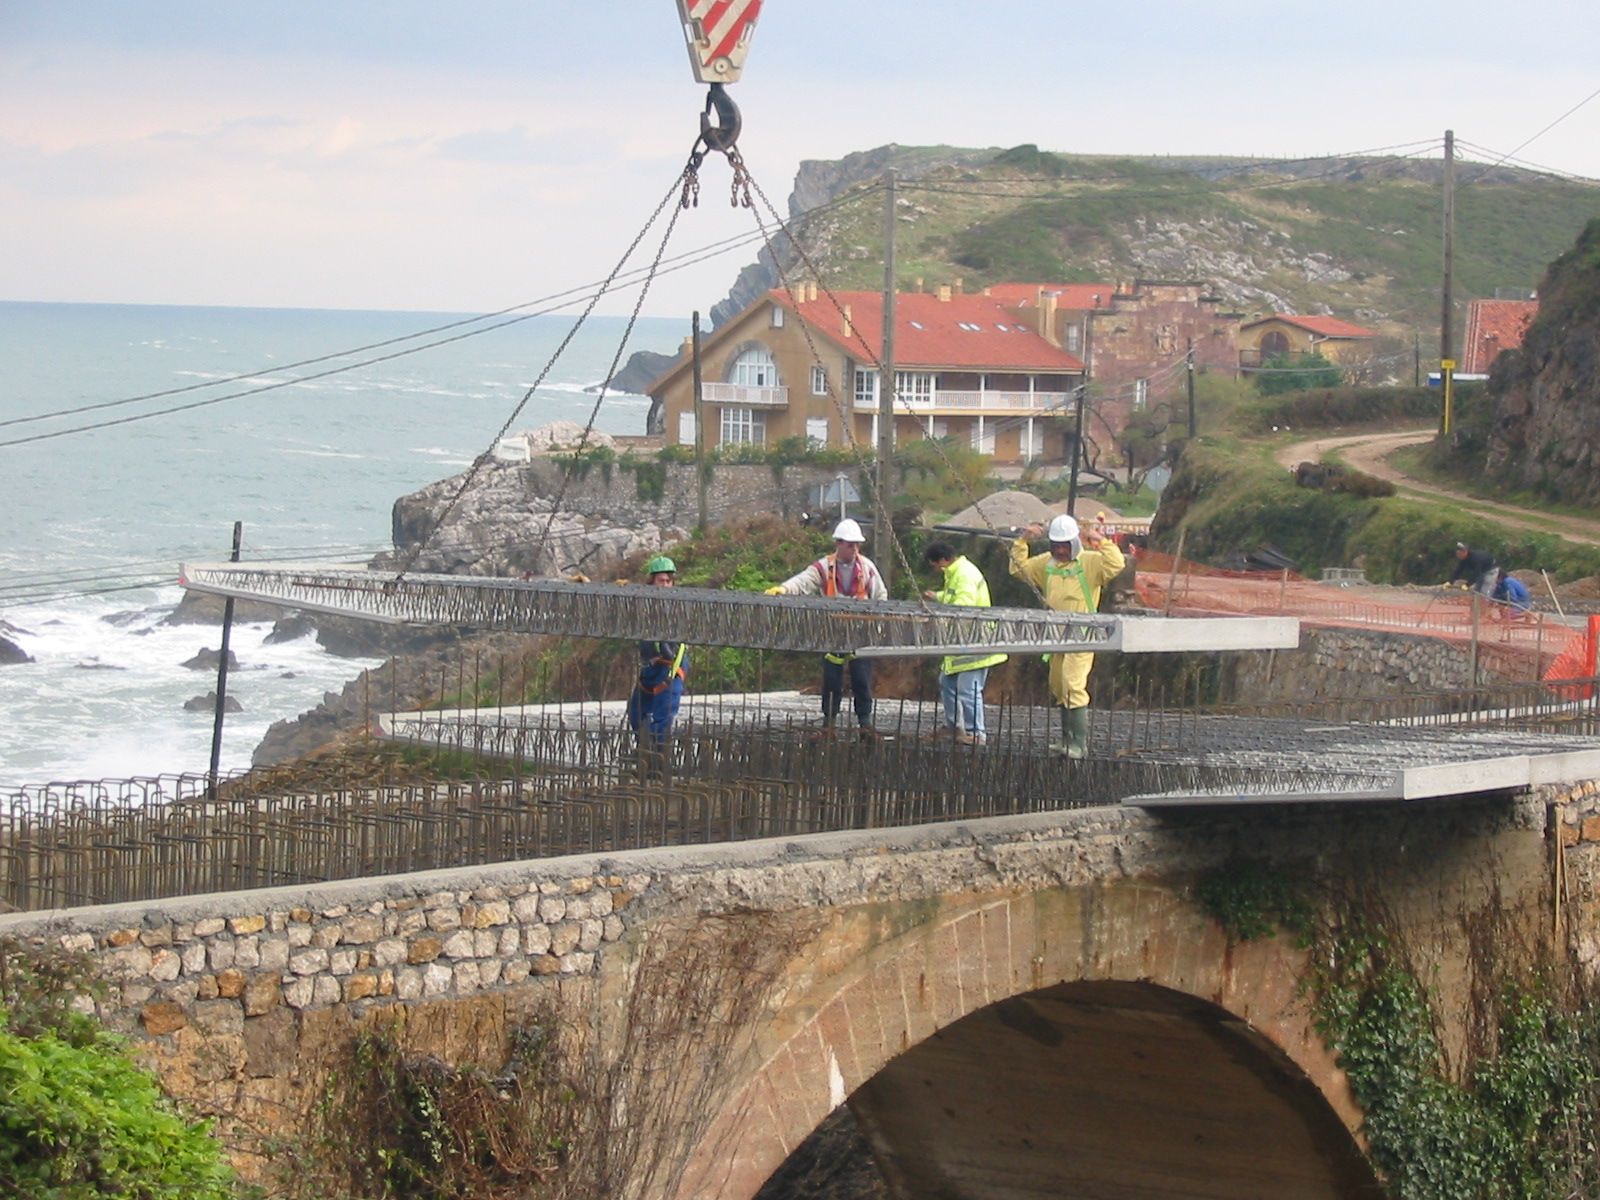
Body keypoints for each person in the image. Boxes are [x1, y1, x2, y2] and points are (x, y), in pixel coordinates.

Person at [1010, 514, 1126, 759]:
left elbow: (1116, 564)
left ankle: (1079, 744)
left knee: (1073, 684)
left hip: (1082, 634)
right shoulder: (1047, 564)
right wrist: (1022, 541)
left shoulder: (1091, 562)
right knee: (1059, 685)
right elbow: (1018, 569)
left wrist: (1101, 541)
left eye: (1065, 545)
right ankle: (1065, 739)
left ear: (1074, 543)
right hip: (1056, 635)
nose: (1060, 550)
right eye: (1056, 546)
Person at [766, 518, 888, 738]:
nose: (854, 549)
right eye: (850, 544)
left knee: (862, 679)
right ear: (839, 543)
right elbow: (803, 582)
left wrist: (876, 626)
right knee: (832, 680)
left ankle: (865, 724)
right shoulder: (824, 567)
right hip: (833, 634)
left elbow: (881, 596)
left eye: (857, 545)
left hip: (861, 634)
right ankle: (829, 724)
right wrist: (783, 589)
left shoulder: (867, 567)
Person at [923, 542, 1007, 745]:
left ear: (943, 560)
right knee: (947, 683)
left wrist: (940, 614)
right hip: (960, 641)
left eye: (935, 565)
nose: (936, 569)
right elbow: (955, 597)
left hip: (975, 640)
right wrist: (938, 597)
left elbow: (964, 605)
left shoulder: (964, 574)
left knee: (968, 689)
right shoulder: (955, 573)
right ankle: (954, 727)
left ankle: (976, 733)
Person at [627, 555, 688, 751]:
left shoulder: (677, 606)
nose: (665, 585)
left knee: (663, 719)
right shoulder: (644, 606)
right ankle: (644, 749)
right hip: (650, 669)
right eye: (661, 580)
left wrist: (665, 647)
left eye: (668, 581)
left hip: (670, 669)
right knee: (636, 713)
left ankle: (658, 758)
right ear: (651, 582)